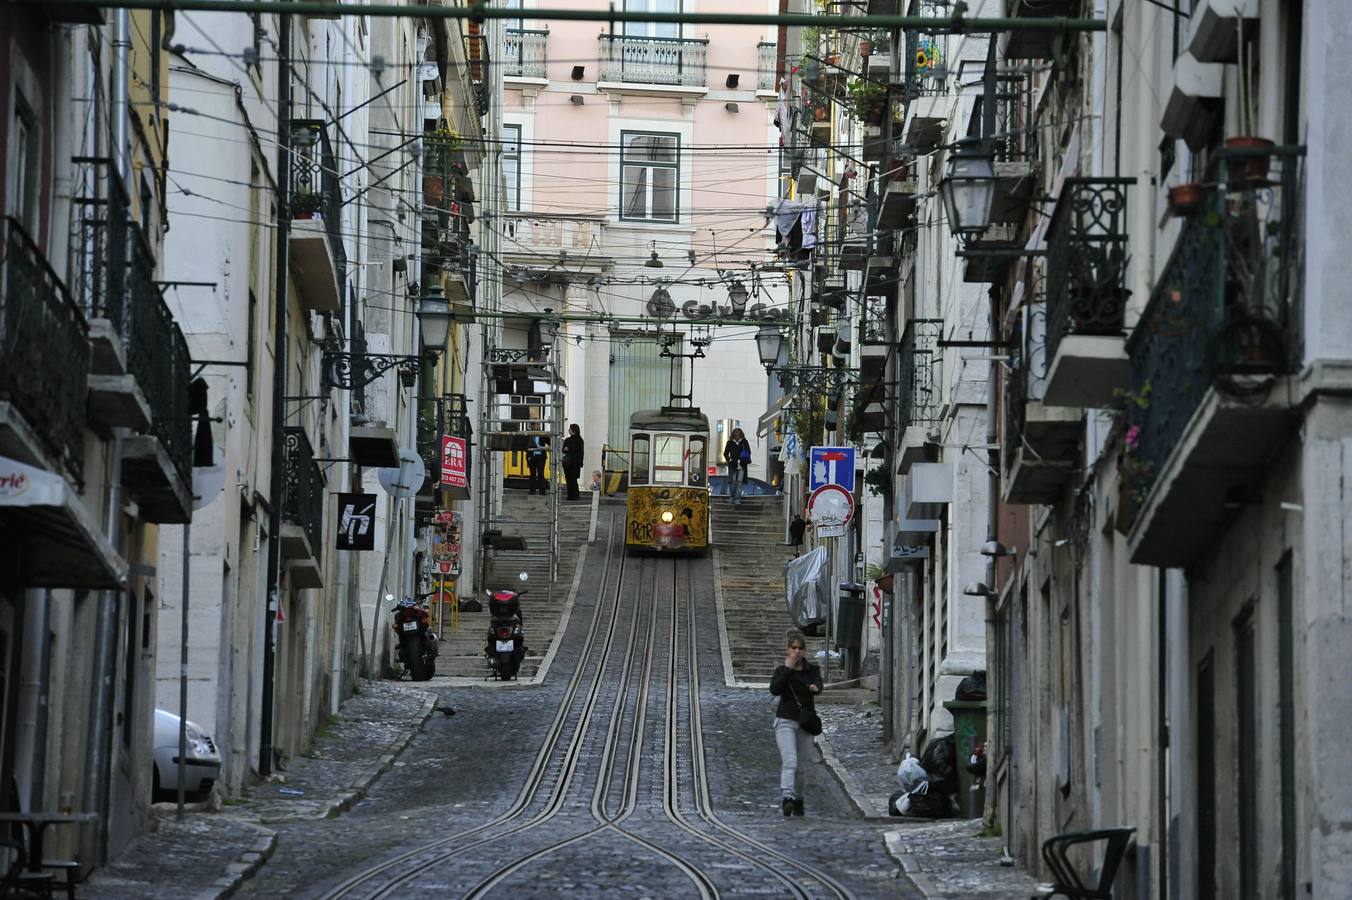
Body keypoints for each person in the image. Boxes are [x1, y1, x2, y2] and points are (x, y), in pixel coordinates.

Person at [769, 634, 823, 816]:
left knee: (801, 767)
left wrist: (815, 688)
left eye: (800, 648)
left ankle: (799, 798)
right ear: (788, 650)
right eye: (793, 648)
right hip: (785, 720)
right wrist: (788, 669)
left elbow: (819, 686)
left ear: (805, 650)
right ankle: (787, 797)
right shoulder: (782, 670)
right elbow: (774, 689)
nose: (797, 651)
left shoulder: (812, 670)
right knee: (790, 761)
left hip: (805, 723)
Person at [722, 427, 752, 505]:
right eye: (736, 434)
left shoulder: (744, 442)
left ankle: (737, 499)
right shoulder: (730, 442)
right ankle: (731, 497)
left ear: (741, 435)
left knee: (739, 483)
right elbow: (725, 453)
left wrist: (744, 458)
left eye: (739, 434)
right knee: (732, 482)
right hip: (733, 465)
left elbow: (749, 451)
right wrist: (729, 460)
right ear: (733, 435)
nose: (737, 436)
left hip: (742, 465)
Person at [562, 424, 584, 500]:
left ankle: (574, 495)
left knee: (573, 479)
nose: (568, 430)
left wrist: (580, 463)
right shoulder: (567, 440)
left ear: (573, 430)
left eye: (570, 429)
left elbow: (581, 452)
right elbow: (563, 450)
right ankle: (571, 495)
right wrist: (565, 449)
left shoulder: (579, 440)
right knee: (569, 479)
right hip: (568, 462)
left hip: (574, 463)